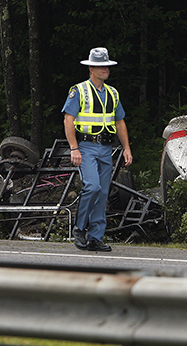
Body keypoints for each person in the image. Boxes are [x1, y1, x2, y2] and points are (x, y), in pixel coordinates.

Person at [62, 47, 132, 251]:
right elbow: (68, 120)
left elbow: (120, 122)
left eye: (107, 66)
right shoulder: (79, 90)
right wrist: (74, 148)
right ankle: (80, 229)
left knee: (102, 193)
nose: (106, 70)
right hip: (85, 146)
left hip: (105, 147)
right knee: (92, 187)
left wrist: (126, 148)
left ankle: (95, 238)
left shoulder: (112, 93)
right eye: (101, 66)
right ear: (91, 68)